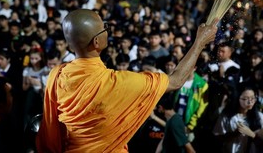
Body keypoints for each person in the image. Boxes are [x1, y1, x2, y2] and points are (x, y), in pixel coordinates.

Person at [36, 9, 218, 152]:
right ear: (97, 42)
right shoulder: (117, 82)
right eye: (104, 28)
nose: (108, 30)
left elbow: (50, 135)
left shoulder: (56, 75)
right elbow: (176, 81)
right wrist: (200, 42)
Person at [213, 82, 263, 153]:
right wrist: (234, 134)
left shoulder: (260, 117)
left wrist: (252, 134)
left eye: (253, 98)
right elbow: (217, 137)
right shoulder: (227, 116)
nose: (250, 102)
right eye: (246, 99)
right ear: (237, 98)